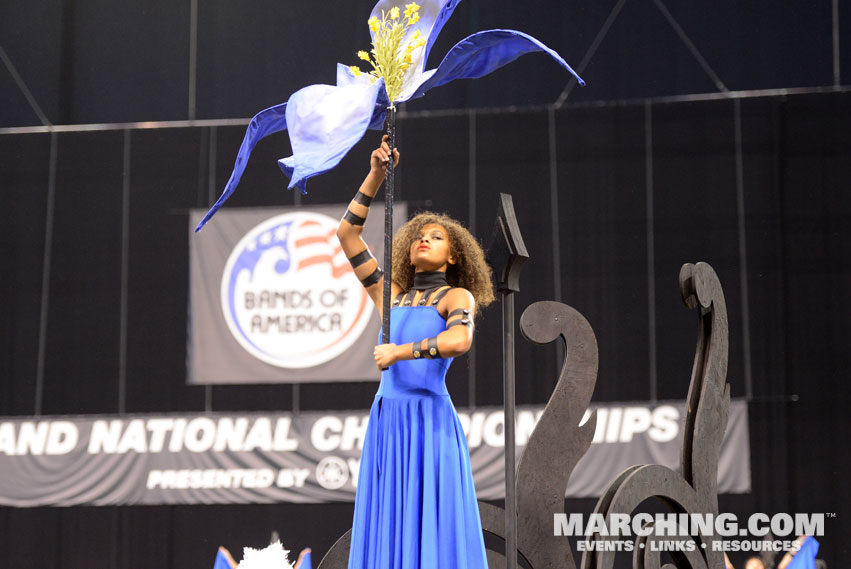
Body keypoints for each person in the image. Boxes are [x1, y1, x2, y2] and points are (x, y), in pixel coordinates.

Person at [337, 135, 494, 568]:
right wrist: (375, 175)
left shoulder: (456, 296)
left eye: (436, 236)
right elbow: (347, 233)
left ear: (453, 256)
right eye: (418, 236)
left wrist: (399, 352)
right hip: (389, 422)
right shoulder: (391, 295)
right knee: (389, 524)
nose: (424, 240)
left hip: (428, 421)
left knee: (432, 526)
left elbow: (459, 341)